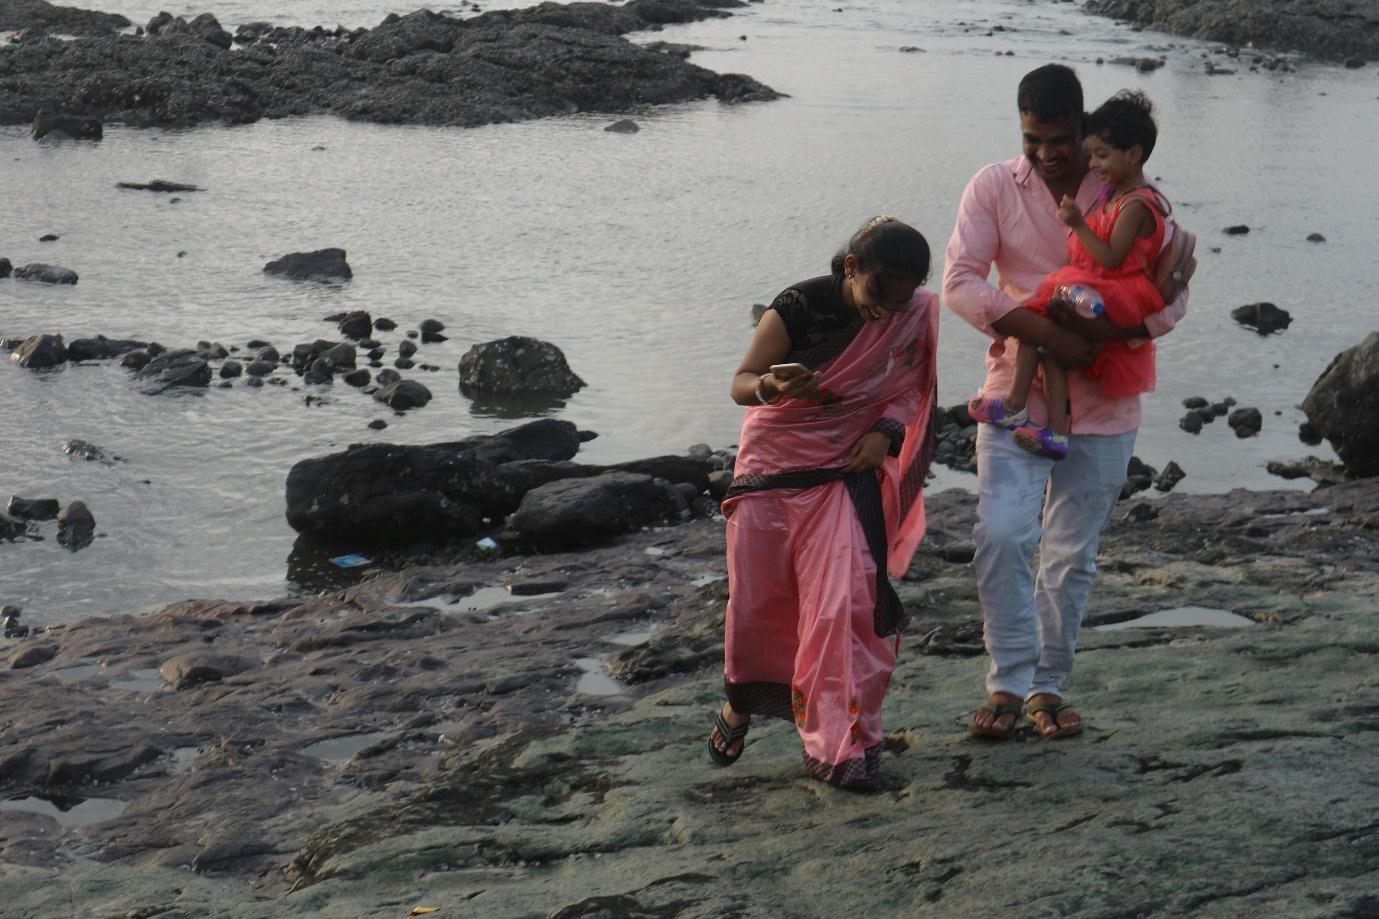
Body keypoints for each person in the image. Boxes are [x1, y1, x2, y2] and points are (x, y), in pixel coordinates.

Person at [942, 65, 1187, 740]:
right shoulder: (992, 186)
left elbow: (1173, 294)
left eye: (1060, 141)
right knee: (1000, 534)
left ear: (1085, 131)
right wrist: (1040, 327)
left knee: (1071, 553)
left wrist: (1099, 334)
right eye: (1032, 141)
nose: (1048, 155)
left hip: (1106, 394)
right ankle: (1005, 679)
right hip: (1018, 385)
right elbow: (959, 283)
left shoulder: (1124, 187)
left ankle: (1044, 688)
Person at [709, 216, 940, 790]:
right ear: (851, 268)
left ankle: (841, 745)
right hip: (772, 464)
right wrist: (774, 386)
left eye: (897, 303)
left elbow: (912, 386)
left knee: (846, 600)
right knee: (760, 602)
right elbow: (741, 382)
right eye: (874, 298)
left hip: (844, 467)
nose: (882, 315)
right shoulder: (798, 306)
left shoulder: (911, 315)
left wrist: (886, 431)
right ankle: (742, 705)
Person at [968, 90, 1171, 462]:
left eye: (1101, 155)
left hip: (1112, 293)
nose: (1093, 163)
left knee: (1036, 322)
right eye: (1091, 154)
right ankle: (1056, 433)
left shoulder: (1137, 203)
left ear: (1134, 153)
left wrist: (1078, 225)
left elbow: (1111, 259)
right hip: (1098, 289)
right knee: (1047, 344)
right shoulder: (1117, 195)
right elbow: (959, 282)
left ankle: (1015, 403)